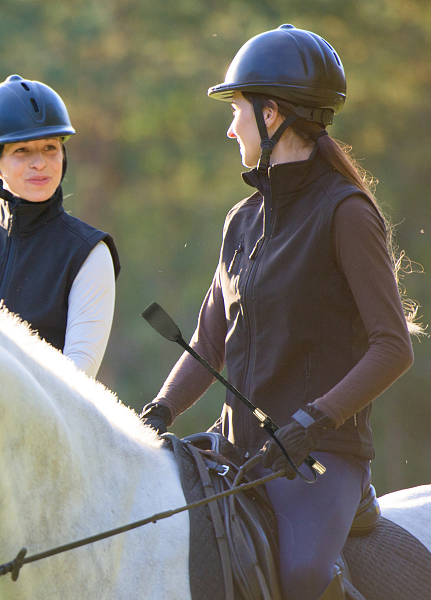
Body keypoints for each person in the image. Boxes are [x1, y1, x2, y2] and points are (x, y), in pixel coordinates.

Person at [139, 25, 417, 600]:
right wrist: (158, 413)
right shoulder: (241, 221)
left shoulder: (347, 213)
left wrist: (314, 420)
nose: (229, 125)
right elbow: (209, 342)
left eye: (236, 110)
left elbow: (393, 347)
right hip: (237, 448)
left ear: (271, 117)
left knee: (304, 579)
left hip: (321, 456)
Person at [0, 75, 120, 378]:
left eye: (50, 148)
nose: (41, 163)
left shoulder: (88, 253)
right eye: (22, 151)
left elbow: (76, 381)